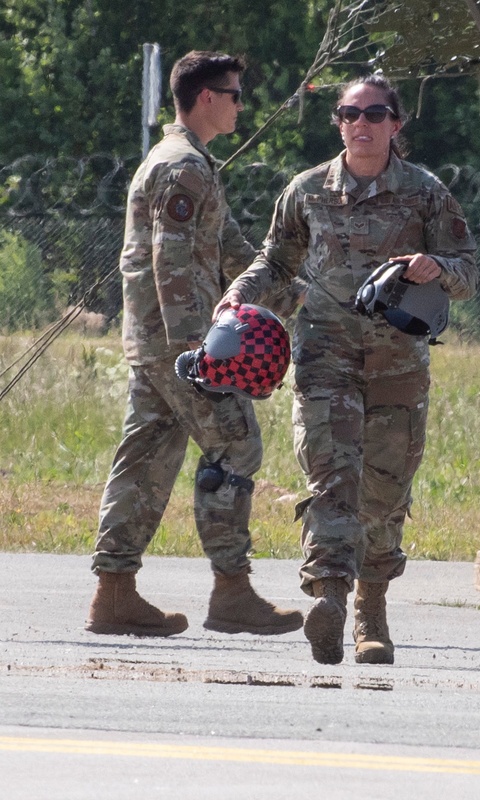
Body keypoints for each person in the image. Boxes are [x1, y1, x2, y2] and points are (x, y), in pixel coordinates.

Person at [215, 74, 477, 666]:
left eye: (375, 113)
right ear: (337, 122)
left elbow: (467, 271)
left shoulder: (426, 194)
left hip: (398, 365)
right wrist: (239, 298)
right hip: (325, 358)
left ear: (396, 124)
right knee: (332, 481)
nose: (362, 124)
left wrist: (435, 266)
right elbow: (275, 263)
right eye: (349, 113)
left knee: (383, 495)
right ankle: (330, 599)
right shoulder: (306, 191)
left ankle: (372, 613)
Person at [86, 51, 303, 638]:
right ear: (207, 97)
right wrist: (197, 355)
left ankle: (113, 594)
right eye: (234, 93)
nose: (241, 104)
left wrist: (302, 296)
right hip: (178, 346)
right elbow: (172, 262)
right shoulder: (183, 167)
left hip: (155, 345)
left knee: (146, 460)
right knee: (236, 444)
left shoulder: (189, 162)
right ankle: (232, 591)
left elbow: (232, 251)